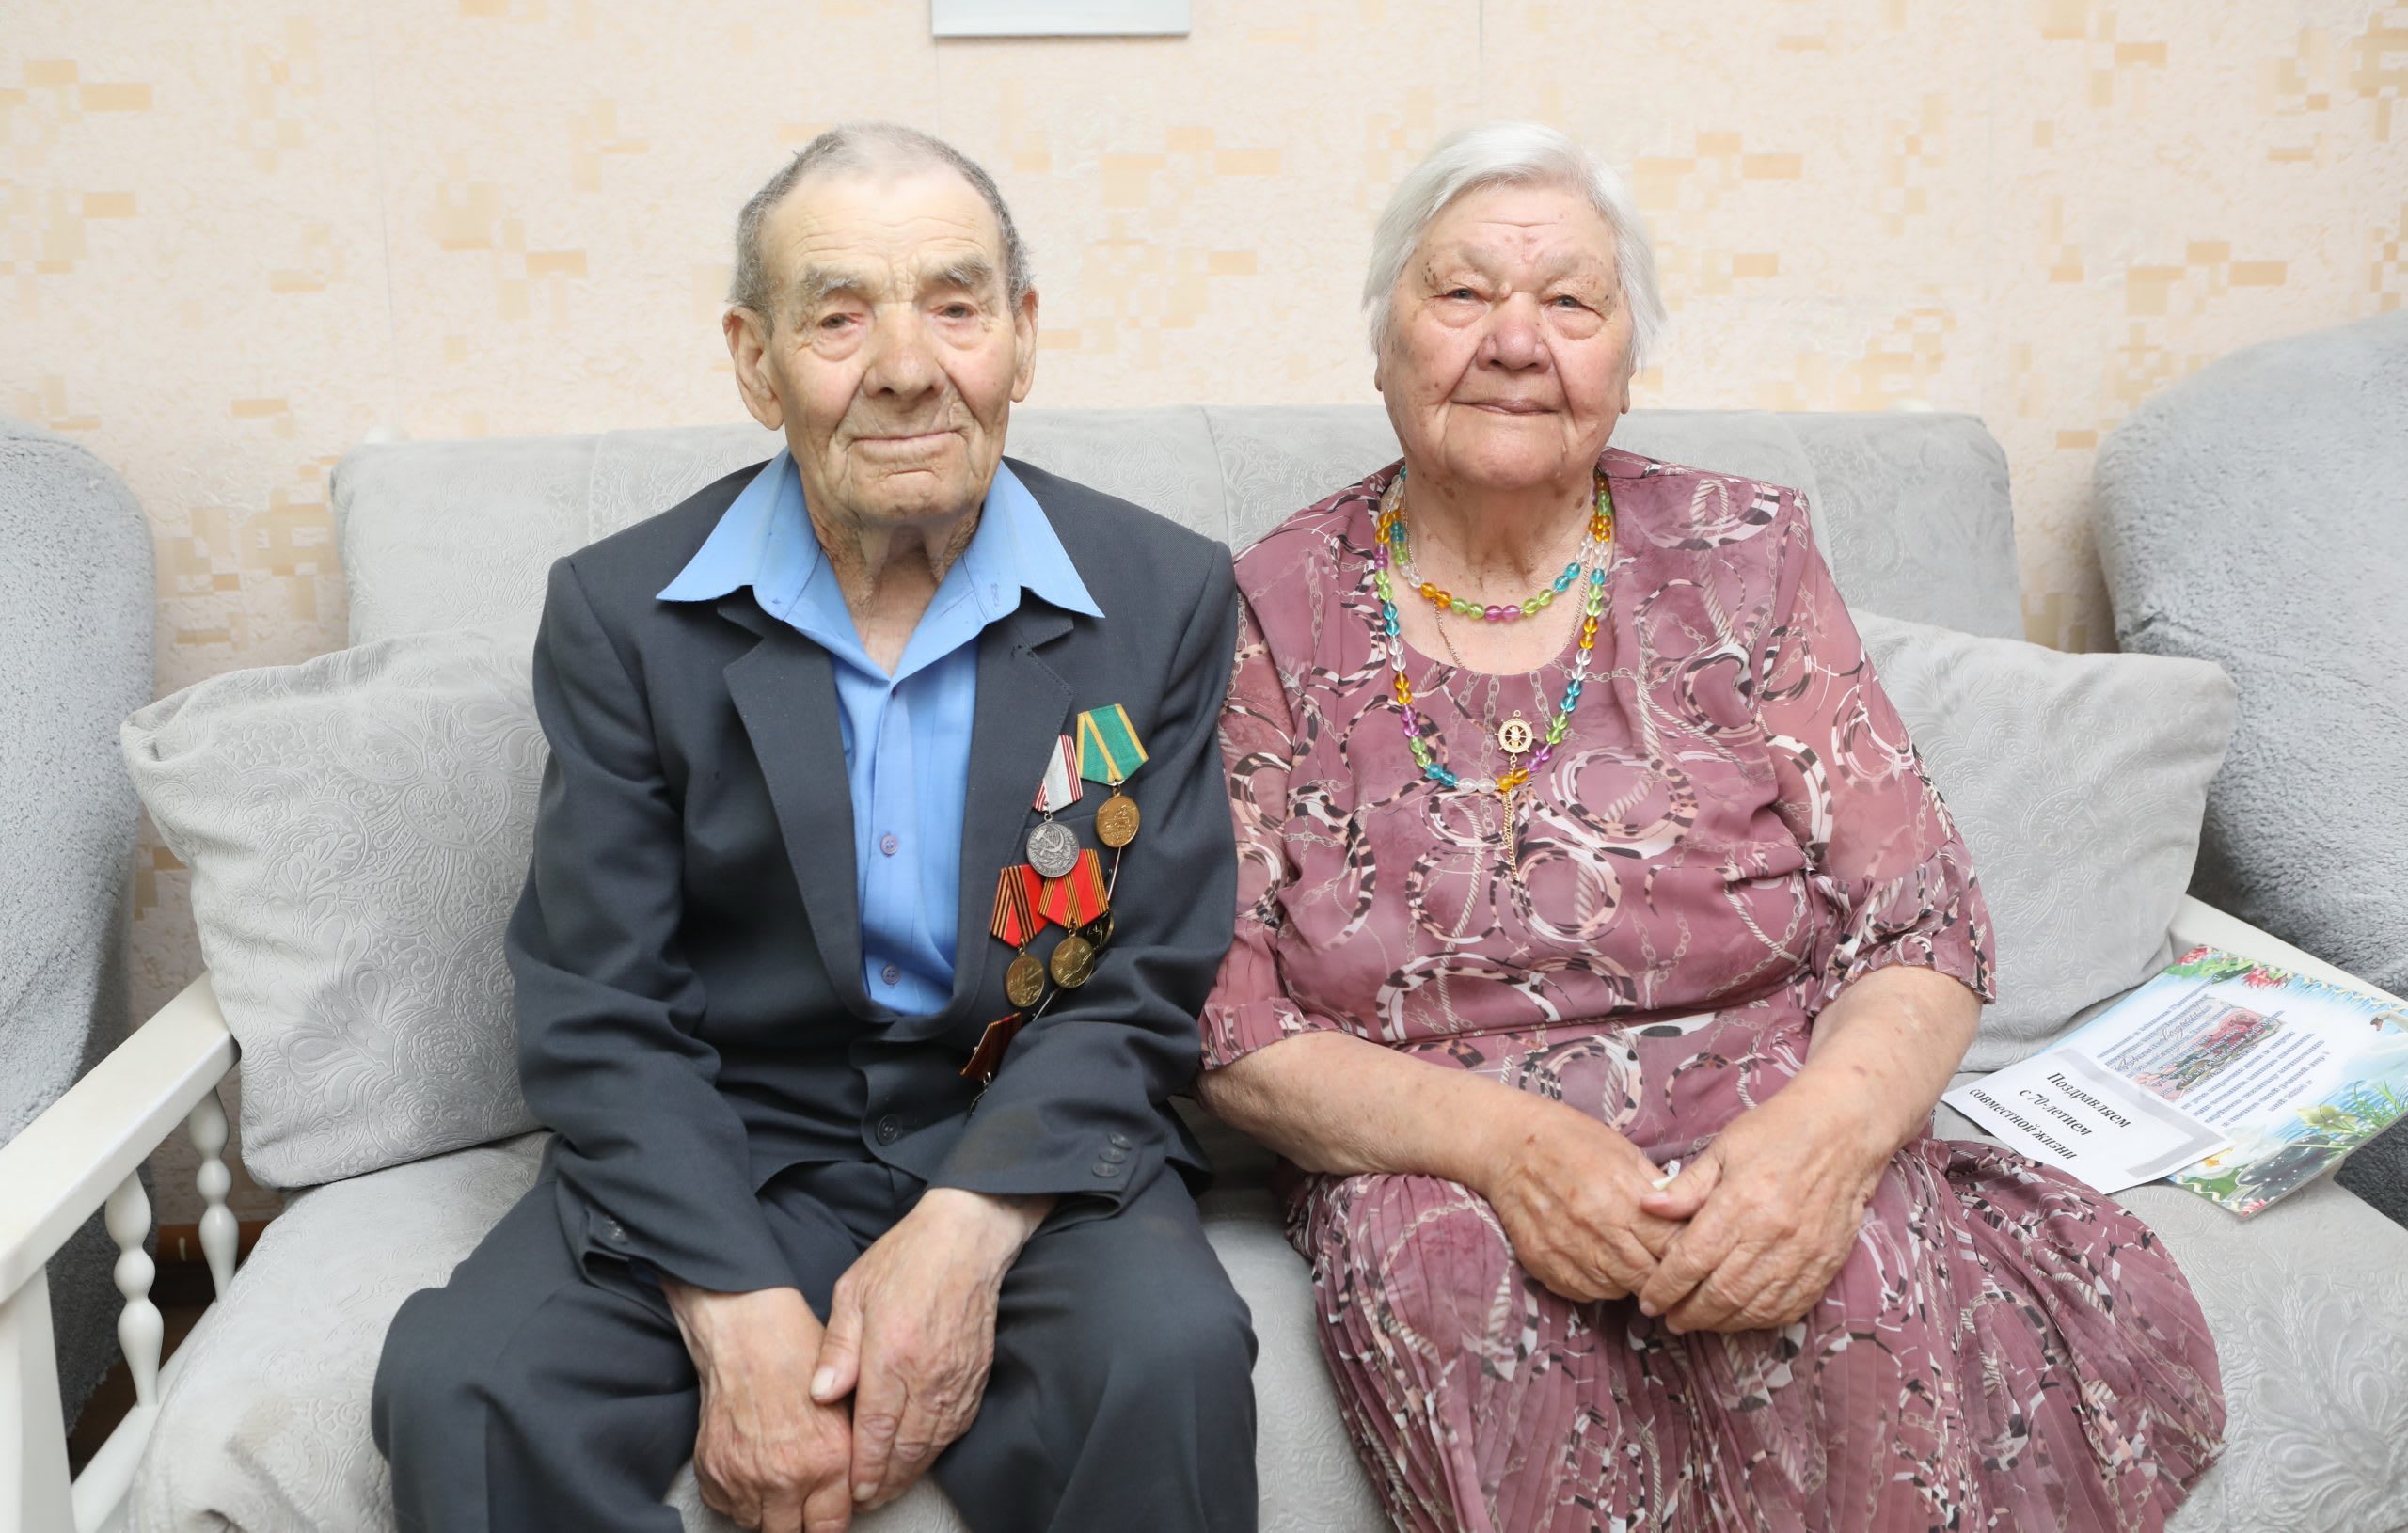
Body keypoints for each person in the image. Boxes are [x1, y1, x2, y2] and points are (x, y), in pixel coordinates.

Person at [1196, 120, 2224, 1533]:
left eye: (1570, 302)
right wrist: (1503, 1147)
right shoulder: (1270, 605)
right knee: (1454, 1293)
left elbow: (1922, 920)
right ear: (1383, 341)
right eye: (1462, 293)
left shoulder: (1746, 557)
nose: (1515, 341)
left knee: (1845, 1274)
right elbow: (1230, 1023)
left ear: (1627, 359)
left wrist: (1823, 1143)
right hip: (1437, 1145)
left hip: (1762, 1099)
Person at [372, 123, 1256, 1533]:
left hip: (1019, 1138)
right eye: (839, 317)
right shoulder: (622, 616)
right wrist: (731, 1301)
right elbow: (602, 1001)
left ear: (1022, 338)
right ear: (753, 359)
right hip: (729, 1136)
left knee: (1171, 1360)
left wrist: (968, 1234)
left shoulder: (1162, 595)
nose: (906, 366)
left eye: (956, 307)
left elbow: (1147, 975)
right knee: (465, 1389)